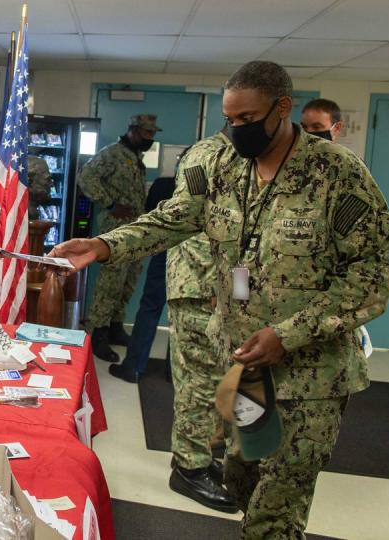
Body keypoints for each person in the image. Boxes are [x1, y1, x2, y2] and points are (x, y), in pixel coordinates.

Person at [51, 60, 389, 538]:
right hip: (243, 361)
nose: (237, 131)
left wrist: (287, 334)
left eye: (248, 120)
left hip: (310, 374)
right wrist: (106, 244)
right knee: (242, 476)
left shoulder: (336, 173)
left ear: (283, 108)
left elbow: (370, 276)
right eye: (229, 121)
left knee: (275, 510)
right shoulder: (220, 164)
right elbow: (172, 218)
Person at [163, 131, 237, 513]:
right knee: (199, 382)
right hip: (201, 288)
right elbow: (190, 222)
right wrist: (217, 285)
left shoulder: (246, 154)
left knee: (216, 380)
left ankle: (202, 457)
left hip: (223, 292)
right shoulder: (210, 154)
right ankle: (189, 468)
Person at [77, 114, 160, 362]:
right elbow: (86, 177)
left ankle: (114, 328)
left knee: (127, 283)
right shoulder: (112, 153)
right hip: (115, 230)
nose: (150, 138)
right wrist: (109, 203)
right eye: (147, 133)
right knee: (110, 285)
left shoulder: (135, 157)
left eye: (153, 134)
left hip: (135, 231)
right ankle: (98, 336)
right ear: (133, 130)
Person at [108, 168, 176, 383]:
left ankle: (134, 366)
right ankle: (172, 372)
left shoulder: (164, 185)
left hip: (166, 250)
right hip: (197, 257)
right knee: (182, 313)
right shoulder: (212, 188)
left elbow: (149, 215)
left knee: (150, 308)